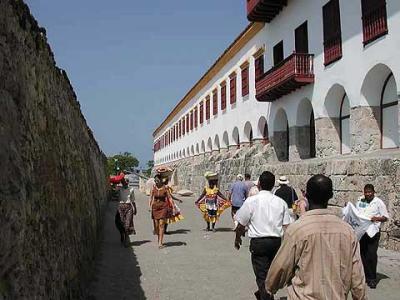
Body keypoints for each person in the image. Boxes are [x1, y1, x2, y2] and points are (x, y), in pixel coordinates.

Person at [266, 174, 367, 300]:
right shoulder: (347, 231)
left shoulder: (297, 229)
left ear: (306, 196)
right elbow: (357, 276)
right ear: (331, 196)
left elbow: (281, 267)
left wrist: (271, 287)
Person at [234, 171, 291, 300]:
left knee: (261, 275)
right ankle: (266, 293)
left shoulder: (251, 201)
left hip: (259, 243)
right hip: (276, 242)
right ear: (273, 186)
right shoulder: (280, 202)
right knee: (272, 272)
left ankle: (265, 295)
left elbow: (241, 223)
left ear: (259, 184)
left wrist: (237, 238)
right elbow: (286, 226)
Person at [356, 184, 389, 289]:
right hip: (362, 231)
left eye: (370, 192)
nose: (368, 194)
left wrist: (376, 218)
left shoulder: (378, 202)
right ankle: (365, 276)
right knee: (362, 254)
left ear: (374, 192)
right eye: (366, 192)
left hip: (373, 231)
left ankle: (372, 278)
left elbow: (385, 218)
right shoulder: (360, 200)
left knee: (371, 254)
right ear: (363, 192)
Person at [149, 174, 176, 248]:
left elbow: (169, 198)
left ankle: (160, 243)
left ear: (161, 180)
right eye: (155, 181)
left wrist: (173, 207)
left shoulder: (165, 188)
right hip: (155, 208)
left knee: (161, 224)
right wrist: (150, 206)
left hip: (163, 207)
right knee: (157, 226)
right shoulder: (153, 188)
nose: (156, 182)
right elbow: (151, 198)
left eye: (157, 180)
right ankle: (158, 237)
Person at [115, 178, 137, 247]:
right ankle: (122, 234)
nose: (125, 183)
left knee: (127, 224)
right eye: (123, 182)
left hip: (128, 207)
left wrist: (135, 209)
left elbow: (132, 200)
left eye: (126, 182)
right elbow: (115, 194)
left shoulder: (131, 189)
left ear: (128, 183)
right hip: (120, 207)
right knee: (121, 223)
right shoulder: (119, 189)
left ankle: (126, 239)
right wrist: (116, 187)